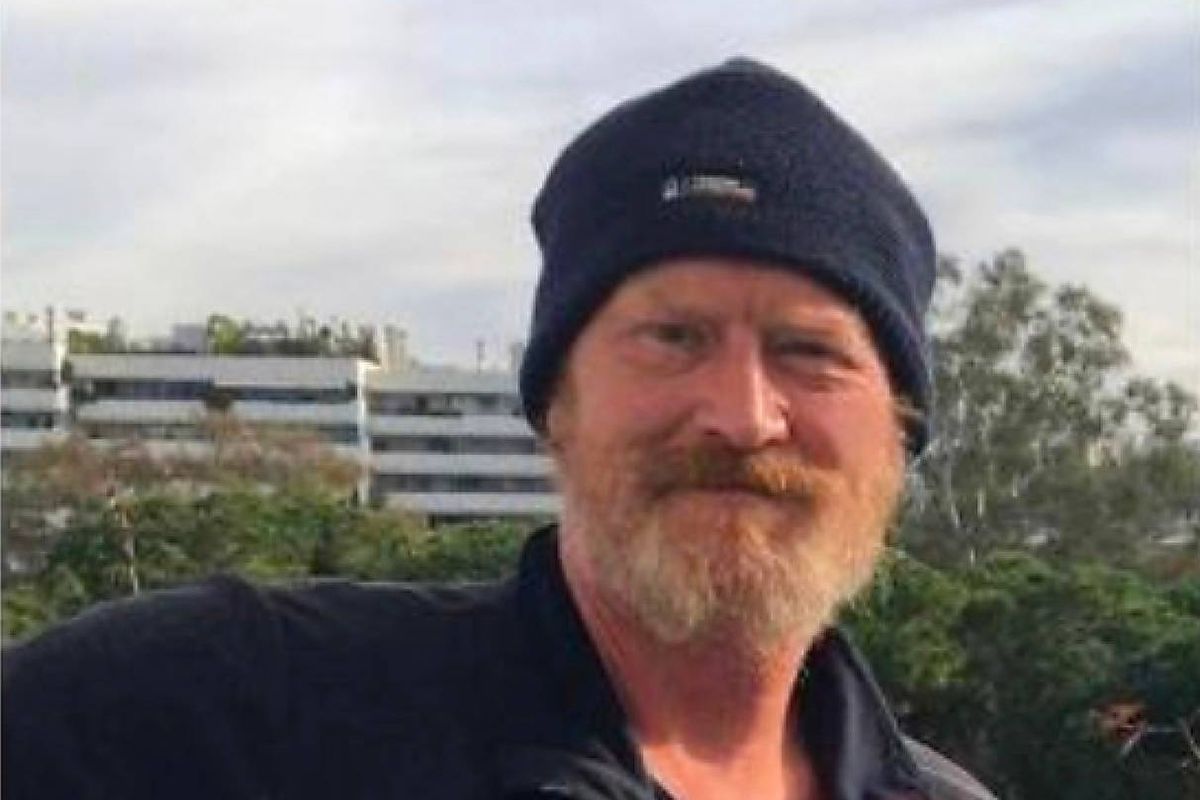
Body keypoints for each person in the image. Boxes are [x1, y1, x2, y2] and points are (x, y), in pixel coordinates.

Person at [3, 58, 996, 800]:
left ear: (898, 430)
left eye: (809, 350)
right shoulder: (229, 712)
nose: (740, 416)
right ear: (556, 403)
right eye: (672, 336)